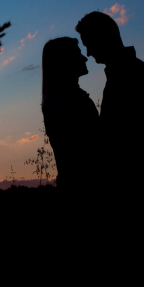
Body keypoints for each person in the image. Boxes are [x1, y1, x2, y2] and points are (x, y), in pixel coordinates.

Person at [75, 11, 144, 190]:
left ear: (104, 37)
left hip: (129, 183)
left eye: (89, 44)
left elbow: (143, 133)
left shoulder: (134, 74)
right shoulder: (122, 74)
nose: (88, 53)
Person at [41, 37, 100, 191]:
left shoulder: (70, 99)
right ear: (63, 61)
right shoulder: (62, 103)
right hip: (82, 187)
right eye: (77, 53)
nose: (84, 57)